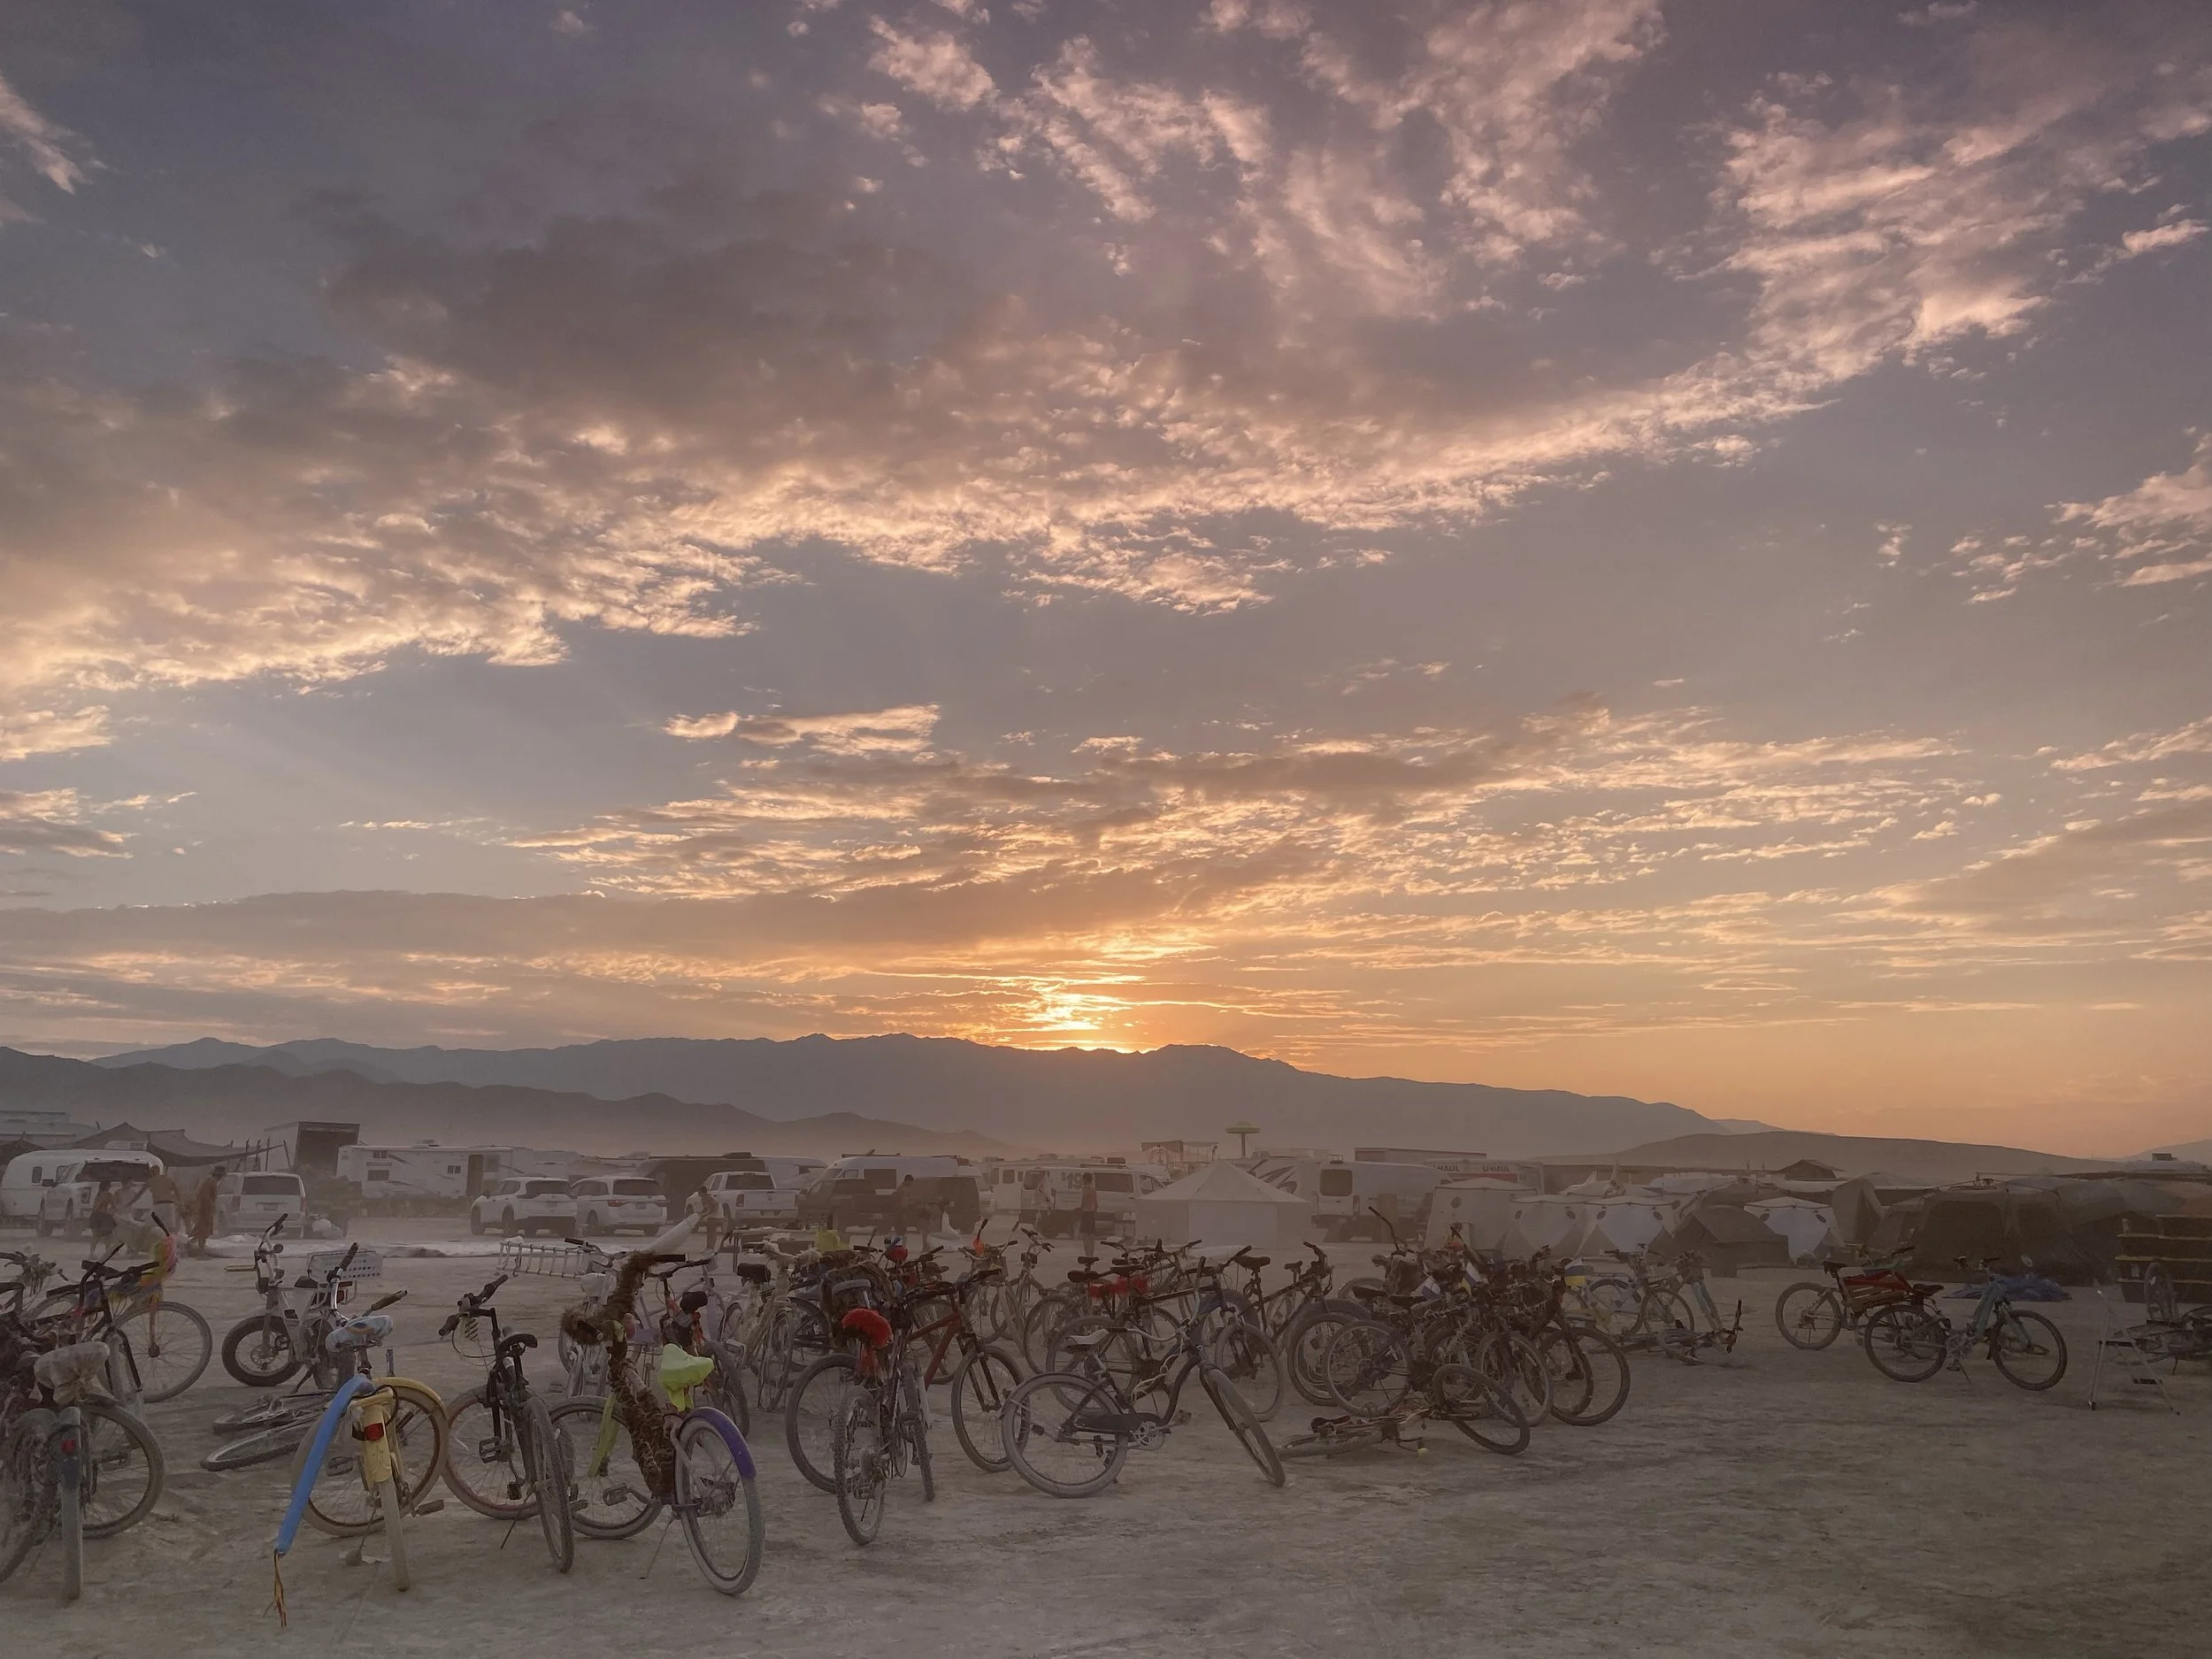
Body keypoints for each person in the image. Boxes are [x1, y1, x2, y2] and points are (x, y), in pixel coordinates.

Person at [187, 1164, 225, 1257]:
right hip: (206, 1210)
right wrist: (210, 1206)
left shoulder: (210, 1181)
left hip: (205, 1209)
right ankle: (201, 1253)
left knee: (201, 1231)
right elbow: (205, 1196)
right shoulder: (212, 1182)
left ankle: (189, 1247)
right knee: (203, 1232)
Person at [146, 1166, 183, 1236]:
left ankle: (161, 1240)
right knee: (170, 1227)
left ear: (152, 1172)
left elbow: (138, 1195)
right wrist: (180, 1203)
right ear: (159, 1171)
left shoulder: (150, 1181)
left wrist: (129, 1203)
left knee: (155, 1226)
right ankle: (172, 1241)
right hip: (169, 1204)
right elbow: (177, 1192)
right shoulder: (168, 1180)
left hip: (158, 1205)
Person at [1079, 1171, 1099, 1244]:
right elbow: (1096, 1204)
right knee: (1091, 1234)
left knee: (1085, 1234)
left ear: (1085, 1179)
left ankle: (1087, 1253)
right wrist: (1094, 1215)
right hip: (1091, 1213)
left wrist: (1080, 1212)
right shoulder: (1093, 1189)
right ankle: (1091, 1253)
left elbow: (1083, 1202)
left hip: (1085, 1213)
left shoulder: (1084, 1189)